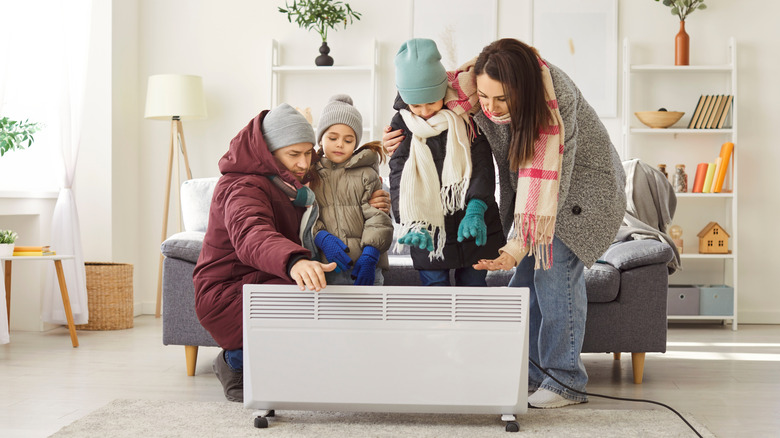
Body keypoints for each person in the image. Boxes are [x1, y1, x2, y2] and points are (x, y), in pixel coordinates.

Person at [383, 38, 626, 408]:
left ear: (523, 90)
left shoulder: (554, 103)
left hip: (579, 190)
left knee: (553, 271)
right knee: (524, 283)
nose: (491, 108)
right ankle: (529, 373)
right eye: (484, 97)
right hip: (537, 195)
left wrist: (515, 246)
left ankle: (566, 381)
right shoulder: (470, 88)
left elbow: (551, 181)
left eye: (502, 99)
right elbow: (419, 91)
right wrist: (396, 131)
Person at [193, 103, 337, 403]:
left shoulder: (286, 183)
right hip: (226, 292)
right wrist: (294, 260)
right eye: (293, 154)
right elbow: (251, 233)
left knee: (326, 292)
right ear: (269, 152)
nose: (303, 163)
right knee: (306, 298)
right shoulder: (242, 185)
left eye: (307, 152)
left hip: (260, 279)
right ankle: (234, 360)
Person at [388, 38, 505, 286]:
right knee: (435, 295)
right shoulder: (401, 125)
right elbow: (398, 174)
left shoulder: (465, 117)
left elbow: (482, 164)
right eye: (415, 104)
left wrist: (476, 208)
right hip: (429, 229)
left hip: (471, 222)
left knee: (473, 292)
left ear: (442, 91)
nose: (424, 110)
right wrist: (410, 222)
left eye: (431, 101)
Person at [311, 94, 394, 285]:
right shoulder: (310, 174)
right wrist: (321, 237)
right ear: (321, 140)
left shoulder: (366, 174)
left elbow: (378, 217)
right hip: (327, 268)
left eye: (348, 140)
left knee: (370, 315)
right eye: (333, 137)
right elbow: (305, 216)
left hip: (366, 267)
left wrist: (371, 255)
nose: (340, 144)